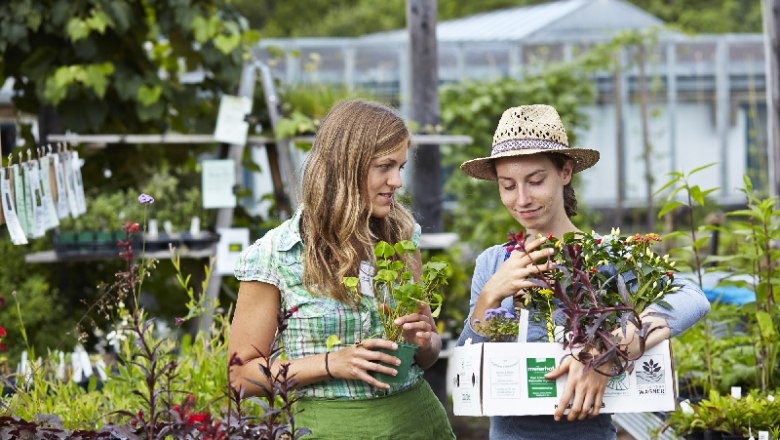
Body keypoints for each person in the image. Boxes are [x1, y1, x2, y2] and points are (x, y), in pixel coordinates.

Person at [456, 104, 711, 439]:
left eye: (535, 181)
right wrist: (490, 295)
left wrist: (611, 351)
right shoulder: (493, 263)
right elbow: (468, 368)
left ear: (565, 172)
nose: (522, 199)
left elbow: (691, 297)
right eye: (507, 185)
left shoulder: (605, 255)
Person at [229, 99, 455, 439]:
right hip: (326, 429)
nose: (397, 181)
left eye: (401, 167)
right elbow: (241, 377)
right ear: (346, 167)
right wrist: (330, 363)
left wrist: (423, 339)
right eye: (385, 166)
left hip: (418, 424)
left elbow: (427, 355)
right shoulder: (275, 255)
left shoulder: (401, 238)